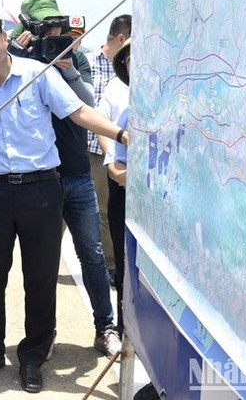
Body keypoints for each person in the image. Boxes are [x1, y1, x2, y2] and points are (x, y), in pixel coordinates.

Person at [0, 3, 130, 393]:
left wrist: (121, 135)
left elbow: (79, 112)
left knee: (39, 278)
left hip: (41, 191)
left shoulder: (37, 75)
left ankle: (32, 355)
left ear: (4, 36)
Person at [9, 0, 120, 358]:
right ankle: (44, 334)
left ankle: (105, 327)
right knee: (41, 262)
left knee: (92, 253)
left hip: (77, 174)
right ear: (27, 27)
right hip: (40, 179)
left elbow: (88, 102)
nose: (52, 31)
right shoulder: (16, 59)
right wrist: (15, 51)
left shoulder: (76, 55)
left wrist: (68, 68)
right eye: (44, 26)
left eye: (56, 24)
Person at [87, 14, 131, 281]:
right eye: (128, 59)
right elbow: (100, 121)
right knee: (101, 213)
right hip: (101, 158)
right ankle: (111, 266)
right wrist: (114, 164)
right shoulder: (115, 86)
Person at [98, 38, 131, 335]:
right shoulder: (127, 115)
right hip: (130, 201)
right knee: (126, 271)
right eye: (130, 61)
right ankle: (126, 332)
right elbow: (114, 168)